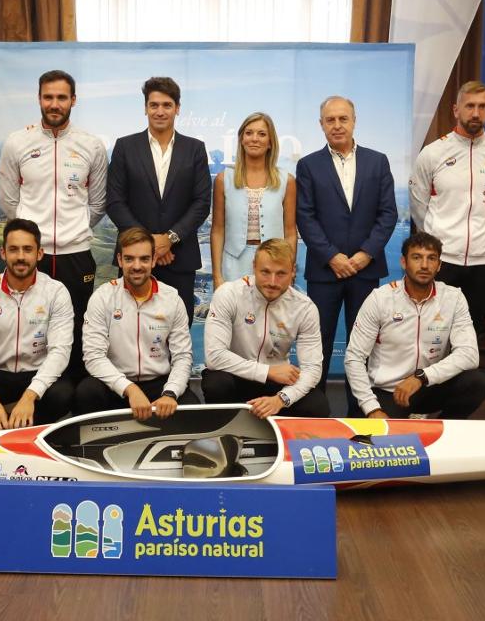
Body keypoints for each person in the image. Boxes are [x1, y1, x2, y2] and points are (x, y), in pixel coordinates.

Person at [296, 96, 398, 416]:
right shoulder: (308, 165)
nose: (337, 125)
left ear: (354, 121)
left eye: (343, 119)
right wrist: (333, 257)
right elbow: (305, 216)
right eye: (330, 120)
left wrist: (366, 254)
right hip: (325, 272)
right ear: (321, 125)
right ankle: (316, 414)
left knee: (362, 347)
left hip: (365, 271)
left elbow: (388, 213)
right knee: (319, 347)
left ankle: (360, 414)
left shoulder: (378, 161)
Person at [0, 69, 108, 368]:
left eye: (61, 97)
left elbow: (97, 203)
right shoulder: (17, 142)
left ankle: (69, 397)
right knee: (31, 325)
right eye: (48, 97)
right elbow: (9, 200)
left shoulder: (91, 145)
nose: (54, 104)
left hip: (76, 254)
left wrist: (77, 229)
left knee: (75, 325)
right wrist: (29, 239)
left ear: (73, 100)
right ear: (39, 99)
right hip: (33, 254)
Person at [410, 81, 485, 338]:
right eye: (469, 106)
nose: (475, 113)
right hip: (443, 258)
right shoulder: (433, 153)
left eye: (482, 107)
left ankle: (466, 379)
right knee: (435, 330)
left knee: (472, 332)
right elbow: (418, 204)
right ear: (456, 110)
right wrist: (437, 240)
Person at [344, 232, 485, 419]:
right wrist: (371, 408)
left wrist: (422, 377)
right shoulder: (380, 298)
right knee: (383, 440)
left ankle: (443, 429)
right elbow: (354, 357)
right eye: (417, 257)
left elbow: (469, 354)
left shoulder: (453, 297)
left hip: (430, 384)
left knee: (476, 382)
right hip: (390, 391)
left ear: (439, 265)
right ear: (404, 262)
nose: (424, 265)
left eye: (431, 258)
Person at [0, 219, 76, 430]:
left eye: (27, 249)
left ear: (39, 254)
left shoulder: (56, 292)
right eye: (13, 249)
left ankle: (25, 429)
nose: (20, 257)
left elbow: (60, 351)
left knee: (64, 394)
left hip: (36, 372)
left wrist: (30, 397)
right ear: (3, 253)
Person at [106, 76, 212, 322]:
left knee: (177, 335)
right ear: (145, 108)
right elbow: (115, 201)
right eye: (154, 105)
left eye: (167, 105)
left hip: (180, 256)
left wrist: (170, 238)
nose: (160, 111)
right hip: (134, 259)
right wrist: (149, 244)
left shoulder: (195, 149)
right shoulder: (125, 147)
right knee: (128, 329)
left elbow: (201, 203)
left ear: (177, 108)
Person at [76, 227, 198, 419]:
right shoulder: (102, 297)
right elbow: (93, 356)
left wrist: (170, 393)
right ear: (119, 260)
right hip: (116, 384)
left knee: (191, 405)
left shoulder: (172, 299)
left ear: (154, 260)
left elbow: (182, 357)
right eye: (129, 259)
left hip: (159, 384)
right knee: (87, 392)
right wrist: (130, 389)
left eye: (144, 259)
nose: (137, 266)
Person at [202, 238, 330, 418]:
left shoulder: (305, 308)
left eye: (281, 274)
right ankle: (224, 431)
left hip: (277, 382)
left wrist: (282, 398)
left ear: (293, 271)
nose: (272, 282)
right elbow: (214, 356)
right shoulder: (228, 294)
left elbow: (312, 369)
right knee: (216, 383)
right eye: (265, 272)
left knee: (318, 404)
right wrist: (267, 371)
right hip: (237, 374)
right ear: (254, 266)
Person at [210, 111, 297, 287]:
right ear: (242, 139)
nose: (254, 138)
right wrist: (217, 276)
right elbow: (218, 230)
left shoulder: (286, 180)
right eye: (249, 133)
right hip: (232, 265)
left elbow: (290, 232)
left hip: (274, 266)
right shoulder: (223, 179)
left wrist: (288, 269)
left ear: (270, 142)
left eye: (262, 134)